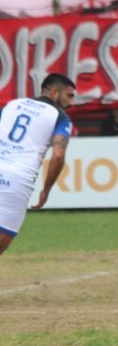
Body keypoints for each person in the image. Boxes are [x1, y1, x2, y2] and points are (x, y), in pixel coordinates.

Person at [0, 74, 74, 256]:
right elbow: (57, 155)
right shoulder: (60, 117)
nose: (72, 102)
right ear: (55, 92)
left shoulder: (12, 105)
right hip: (17, 179)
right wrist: (46, 190)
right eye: (69, 95)